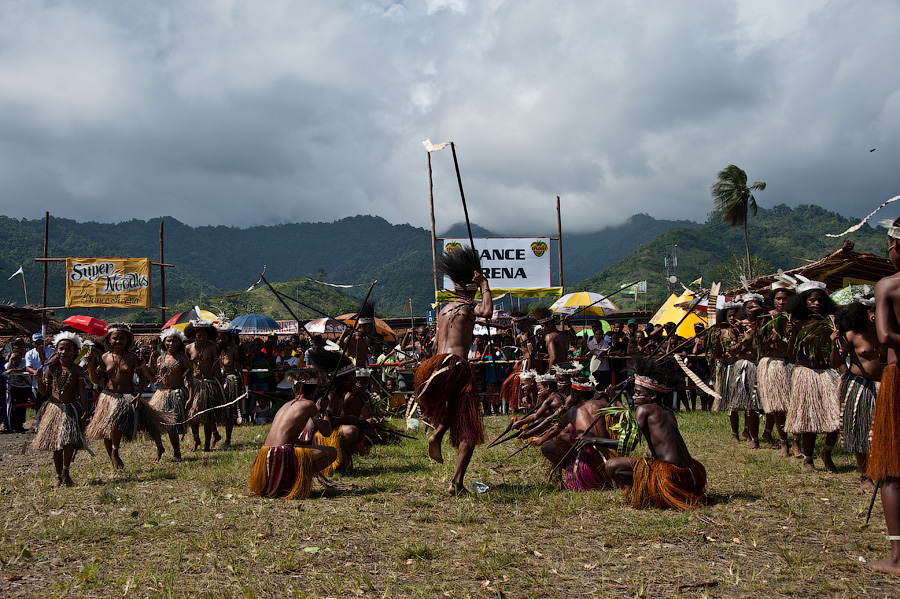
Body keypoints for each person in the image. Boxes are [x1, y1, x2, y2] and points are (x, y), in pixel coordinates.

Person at [414, 246, 492, 495]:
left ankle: (438, 434)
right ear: (471, 287)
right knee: (469, 427)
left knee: (455, 411)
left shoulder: (444, 310)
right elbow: (487, 312)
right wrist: (485, 284)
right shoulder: (468, 308)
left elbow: (434, 346)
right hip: (457, 366)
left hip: (435, 367)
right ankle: (456, 482)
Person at [585, 358, 710, 510]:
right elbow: (632, 421)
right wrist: (614, 400)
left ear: (653, 395)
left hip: (670, 476)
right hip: (691, 474)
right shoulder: (667, 411)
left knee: (612, 466)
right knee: (650, 452)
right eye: (633, 393)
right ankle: (670, 491)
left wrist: (594, 440)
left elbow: (628, 443)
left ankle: (656, 492)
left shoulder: (644, 410)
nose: (634, 397)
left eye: (638, 393)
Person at [85, 323, 172, 470]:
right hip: (109, 397)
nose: (118, 341)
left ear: (128, 340)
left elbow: (142, 378)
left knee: (149, 423)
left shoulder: (132, 358)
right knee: (109, 428)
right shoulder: (105, 357)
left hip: (129, 397)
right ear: (109, 340)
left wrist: (138, 395)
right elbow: (96, 380)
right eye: (115, 338)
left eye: (122, 338)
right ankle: (114, 455)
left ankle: (160, 447)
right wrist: (90, 366)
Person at [245, 371, 337, 499]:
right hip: (281, 457)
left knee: (303, 450)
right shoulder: (309, 404)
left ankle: (284, 482)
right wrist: (324, 410)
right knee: (332, 452)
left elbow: (284, 437)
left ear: (294, 389)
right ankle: (294, 483)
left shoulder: (286, 405)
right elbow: (326, 432)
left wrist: (302, 443)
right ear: (314, 390)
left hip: (265, 456)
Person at [867, 217, 900, 574]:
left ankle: (898, 557)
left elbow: (886, 335)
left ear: (895, 246)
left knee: (892, 468)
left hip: (899, 376)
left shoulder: (889, 285)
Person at [784, 280, 841, 472]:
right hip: (806, 374)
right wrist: (792, 336)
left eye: (820, 301)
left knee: (836, 418)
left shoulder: (831, 322)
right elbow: (792, 354)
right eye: (812, 300)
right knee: (810, 421)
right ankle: (808, 459)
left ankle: (827, 452)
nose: (817, 304)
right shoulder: (797, 323)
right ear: (803, 302)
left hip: (828, 374)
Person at [833, 295, 883, 488]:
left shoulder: (886, 334)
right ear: (864, 312)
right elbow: (836, 362)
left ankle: (882, 469)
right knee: (861, 429)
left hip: (884, 385)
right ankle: (865, 474)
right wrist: (835, 345)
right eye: (873, 310)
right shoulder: (852, 335)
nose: (876, 314)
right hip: (861, 386)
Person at [532, 379, 617, 491]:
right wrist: (615, 398)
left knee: (547, 446)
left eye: (570, 395)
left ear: (575, 396)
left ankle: (580, 472)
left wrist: (540, 440)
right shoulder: (604, 404)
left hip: (587, 467)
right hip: (609, 459)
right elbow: (625, 416)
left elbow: (554, 430)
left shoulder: (572, 411)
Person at [32, 332, 90, 486]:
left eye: (68, 349)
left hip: (71, 409)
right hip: (55, 410)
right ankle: (58, 475)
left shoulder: (77, 370)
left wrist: (85, 411)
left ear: (75, 351)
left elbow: (82, 393)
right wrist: (39, 380)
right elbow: (43, 392)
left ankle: (66, 471)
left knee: (69, 442)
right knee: (57, 444)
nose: (64, 352)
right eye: (61, 348)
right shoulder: (51, 369)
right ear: (56, 350)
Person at [758, 279, 799, 457]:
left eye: (785, 298)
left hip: (793, 363)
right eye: (778, 299)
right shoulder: (767, 318)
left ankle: (796, 441)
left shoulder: (796, 317)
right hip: (774, 365)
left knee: (795, 405)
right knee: (778, 407)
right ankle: (784, 443)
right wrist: (773, 338)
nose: (781, 302)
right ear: (773, 300)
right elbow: (759, 345)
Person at [149, 328, 194, 462]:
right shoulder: (160, 358)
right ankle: (159, 447)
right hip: (161, 393)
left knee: (173, 425)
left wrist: (190, 397)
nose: (171, 344)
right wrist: (149, 362)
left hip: (177, 393)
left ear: (179, 343)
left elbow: (190, 379)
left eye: (174, 341)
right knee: (154, 422)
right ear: (164, 342)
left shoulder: (183, 359)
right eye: (169, 341)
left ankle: (177, 452)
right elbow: (153, 377)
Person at [185, 319, 225, 452]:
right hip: (195, 384)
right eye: (199, 334)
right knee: (193, 415)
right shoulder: (188, 348)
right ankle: (196, 439)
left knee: (208, 416)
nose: (202, 337)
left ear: (209, 334)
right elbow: (186, 368)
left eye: (205, 334)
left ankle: (207, 443)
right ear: (194, 334)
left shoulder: (212, 348)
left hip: (209, 383)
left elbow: (216, 367)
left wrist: (220, 385)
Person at [216, 322, 242, 443]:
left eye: (224, 338)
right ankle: (214, 434)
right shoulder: (214, 349)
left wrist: (243, 385)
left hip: (230, 381)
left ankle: (228, 437)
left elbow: (238, 367)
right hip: (217, 381)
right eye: (219, 338)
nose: (221, 340)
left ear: (228, 338)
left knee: (229, 411)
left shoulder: (233, 350)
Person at [5, 340, 32, 433]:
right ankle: (10, 425)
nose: (17, 360)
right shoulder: (9, 364)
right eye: (15, 358)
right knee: (10, 406)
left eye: (18, 358)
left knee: (22, 407)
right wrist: (10, 360)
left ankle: (19, 424)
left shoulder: (24, 361)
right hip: (13, 386)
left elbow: (25, 369)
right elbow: (7, 370)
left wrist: (13, 370)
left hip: (24, 387)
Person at [25, 333, 53, 419]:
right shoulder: (29, 354)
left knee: (49, 403)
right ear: (32, 343)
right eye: (37, 342)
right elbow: (28, 367)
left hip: (49, 383)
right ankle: (36, 421)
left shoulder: (50, 351)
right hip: (36, 383)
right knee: (37, 405)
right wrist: (37, 373)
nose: (39, 344)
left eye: (41, 341)